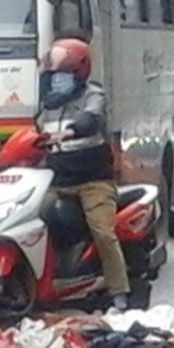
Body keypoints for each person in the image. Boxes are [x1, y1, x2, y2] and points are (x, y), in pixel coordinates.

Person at [36, 37, 129, 305]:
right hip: (56, 181)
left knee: (102, 231)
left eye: (62, 75)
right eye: (53, 75)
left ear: (78, 73)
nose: (56, 80)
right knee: (33, 218)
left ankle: (118, 290)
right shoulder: (46, 105)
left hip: (92, 181)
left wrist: (69, 131)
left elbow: (91, 119)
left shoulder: (93, 95)